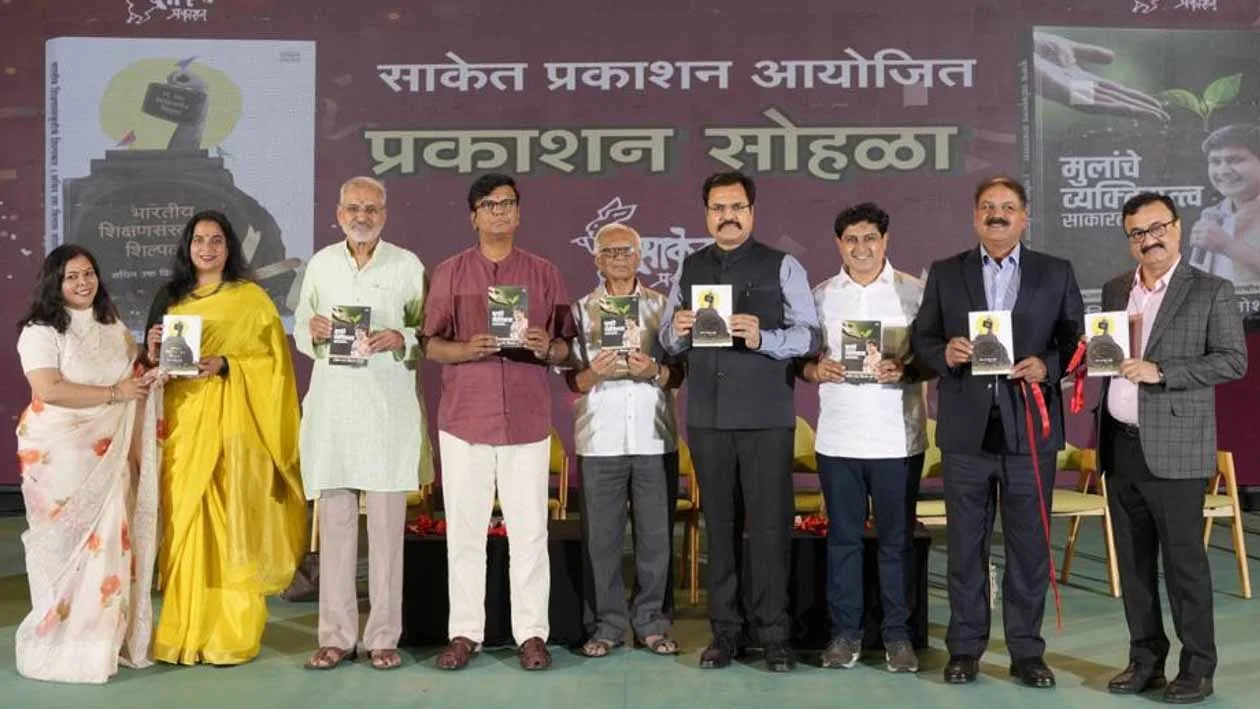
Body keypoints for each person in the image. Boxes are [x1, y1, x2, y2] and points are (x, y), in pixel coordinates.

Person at [910, 176, 1084, 688]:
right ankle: (964, 649)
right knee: (966, 546)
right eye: (988, 206)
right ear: (974, 216)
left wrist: (1047, 365)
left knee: (1029, 547)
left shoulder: (1055, 271)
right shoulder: (947, 272)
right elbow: (923, 338)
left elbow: (1076, 342)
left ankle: (1027, 652)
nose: (997, 214)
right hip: (966, 432)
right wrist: (944, 352)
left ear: (1025, 217)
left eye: (1008, 206)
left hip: (1029, 428)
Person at [660, 171, 821, 672]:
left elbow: (810, 336)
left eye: (736, 207)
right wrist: (678, 330)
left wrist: (763, 336)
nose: (727, 216)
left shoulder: (783, 265)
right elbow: (666, 341)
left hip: (766, 418)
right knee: (720, 527)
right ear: (706, 214)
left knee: (770, 528)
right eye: (718, 208)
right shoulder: (690, 266)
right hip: (707, 418)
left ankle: (774, 636)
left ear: (752, 212)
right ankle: (724, 633)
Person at [423, 173, 577, 671]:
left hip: (527, 421)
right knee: (465, 534)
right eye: (490, 205)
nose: (500, 212)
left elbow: (566, 346)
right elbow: (430, 344)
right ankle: (464, 634)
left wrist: (547, 347)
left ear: (519, 213)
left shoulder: (544, 273)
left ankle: (531, 634)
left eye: (508, 203)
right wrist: (465, 349)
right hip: (465, 420)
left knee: (529, 533)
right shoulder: (449, 272)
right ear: (474, 216)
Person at [1098, 192, 1247, 704]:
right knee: (1134, 566)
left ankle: (1198, 668)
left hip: (1177, 448)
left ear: (1178, 227)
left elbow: (1232, 360)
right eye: (1137, 233)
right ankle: (1145, 661)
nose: (1149, 240)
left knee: (1184, 567)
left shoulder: (1211, 290)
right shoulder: (1116, 288)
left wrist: (1161, 371)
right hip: (1119, 445)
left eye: (1157, 228)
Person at [141, 209, 307, 665]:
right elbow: (153, 369)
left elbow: (275, 365)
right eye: (199, 240)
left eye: (216, 240)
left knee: (235, 525)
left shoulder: (251, 299)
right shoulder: (170, 297)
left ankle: (230, 636)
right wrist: (152, 351)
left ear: (229, 247)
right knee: (187, 527)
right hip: (185, 428)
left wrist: (228, 364)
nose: (207, 248)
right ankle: (182, 634)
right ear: (187, 247)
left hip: (237, 431)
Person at [296, 176, 427, 672]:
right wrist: (311, 329)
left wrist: (402, 336)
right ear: (338, 213)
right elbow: (301, 324)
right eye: (353, 208)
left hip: (387, 410)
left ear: (384, 215)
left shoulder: (407, 265)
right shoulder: (321, 264)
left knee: (388, 533)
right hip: (334, 410)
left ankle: (383, 638)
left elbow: (427, 329)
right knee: (335, 530)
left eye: (371, 209)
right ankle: (335, 637)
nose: (362, 217)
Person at [13, 245, 160, 683]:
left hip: (109, 452)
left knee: (107, 546)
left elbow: (133, 377)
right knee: (65, 549)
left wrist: (154, 356)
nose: (83, 283)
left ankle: (99, 645)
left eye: (89, 273)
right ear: (55, 283)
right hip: (59, 456)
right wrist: (115, 395)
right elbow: (50, 389)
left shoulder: (112, 325)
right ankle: (58, 640)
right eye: (72, 276)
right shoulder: (39, 331)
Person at [800, 202, 932, 673]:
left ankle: (898, 637)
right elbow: (799, 359)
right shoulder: (820, 297)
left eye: (870, 238)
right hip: (839, 440)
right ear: (839, 244)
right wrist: (815, 370)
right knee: (844, 542)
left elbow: (933, 357)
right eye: (851, 239)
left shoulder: (914, 294)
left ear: (885, 240)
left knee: (897, 543)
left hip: (899, 439)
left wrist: (907, 369)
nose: (861, 248)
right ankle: (845, 636)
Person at [565, 222, 684, 658]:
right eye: (609, 252)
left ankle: (652, 623)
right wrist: (595, 372)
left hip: (654, 437)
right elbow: (571, 380)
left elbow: (679, 373)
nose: (618, 258)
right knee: (602, 541)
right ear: (596, 259)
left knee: (656, 540)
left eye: (626, 251)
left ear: (640, 256)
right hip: (600, 439)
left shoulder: (662, 307)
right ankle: (608, 625)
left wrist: (652, 370)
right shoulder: (579, 311)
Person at [1189, 124, 1260, 284]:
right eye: (1215, 162)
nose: (1223, 171)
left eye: (1235, 160)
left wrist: (1228, 246)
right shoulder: (1213, 215)